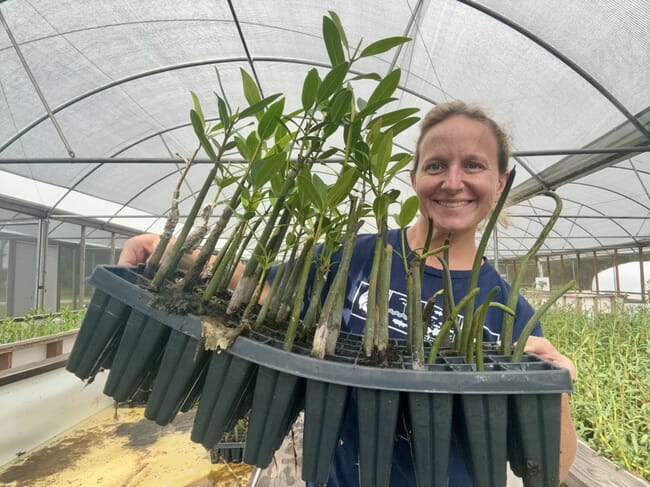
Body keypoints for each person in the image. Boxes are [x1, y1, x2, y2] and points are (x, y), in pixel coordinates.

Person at [119, 101, 577, 485]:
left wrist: (552, 384)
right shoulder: (358, 256)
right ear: (414, 177)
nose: (452, 181)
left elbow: (553, 467)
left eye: (473, 165)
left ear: (501, 182)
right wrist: (174, 252)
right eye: (436, 165)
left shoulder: (506, 306)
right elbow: (258, 287)